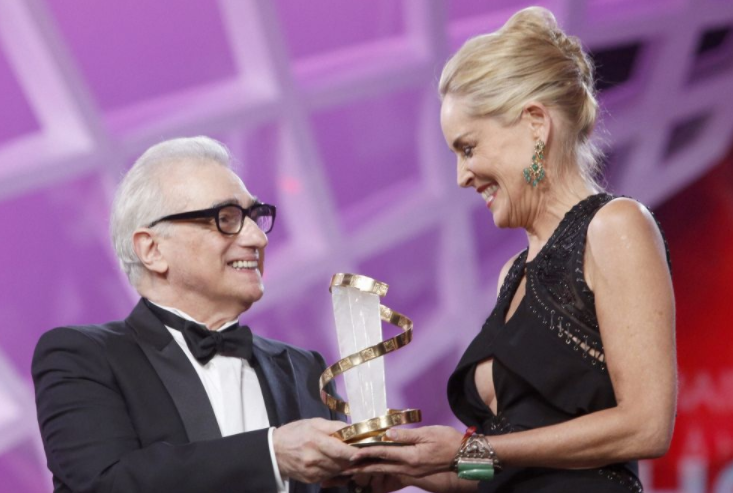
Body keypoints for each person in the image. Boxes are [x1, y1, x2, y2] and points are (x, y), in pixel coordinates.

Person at [347, 7, 676, 492]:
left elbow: (646, 424)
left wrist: (469, 448)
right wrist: (412, 471)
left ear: (535, 125)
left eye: (468, 148)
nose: (461, 176)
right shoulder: (513, 275)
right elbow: (509, 470)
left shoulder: (615, 227)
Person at [32, 136, 355, 493]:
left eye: (254, 217)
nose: (257, 239)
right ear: (152, 249)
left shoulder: (304, 367)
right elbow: (105, 485)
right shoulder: (81, 357)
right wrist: (270, 454)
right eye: (226, 218)